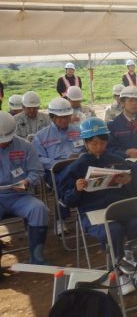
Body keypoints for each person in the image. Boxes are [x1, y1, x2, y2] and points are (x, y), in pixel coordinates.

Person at [58, 117, 137, 295]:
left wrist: (129, 181)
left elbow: (133, 192)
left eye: (102, 142)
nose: (98, 147)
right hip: (94, 215)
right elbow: (66, 200)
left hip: (120, 208)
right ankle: (119, 273)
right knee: (113, 230)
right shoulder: (76, 167)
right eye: (93, 143)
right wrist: (77, 190)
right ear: (85, 143)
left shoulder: (116, 160)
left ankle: (134, 268)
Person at [0, 111, 50, 265]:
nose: (3, 143)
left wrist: (28, 181)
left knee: (39, 209)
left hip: (19, 195)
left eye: (6, 140)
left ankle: (37, 257)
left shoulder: (25, 146)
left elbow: (37, 170)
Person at [33, 97, 83, 235]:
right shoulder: (41, 136)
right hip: (54, 171)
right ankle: (61, 219)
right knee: (64, 180)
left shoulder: (78, 131)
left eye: (67, 117)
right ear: (52, 117)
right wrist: (55, 163)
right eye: (61, 118)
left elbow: (86, 148)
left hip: (78, 166)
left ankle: (86, 212)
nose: (65, 120)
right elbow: (38, 159)